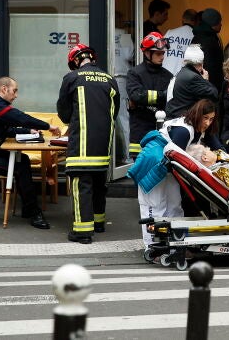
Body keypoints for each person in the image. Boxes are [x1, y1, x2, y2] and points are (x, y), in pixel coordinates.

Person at [0, 77, 61, 230]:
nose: (16, 95)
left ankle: (29, 209)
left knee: (23, 160)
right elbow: (19, 117)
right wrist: (48, 126)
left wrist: (28, 131)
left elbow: (6, 129)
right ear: (4, 89)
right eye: (14, 91)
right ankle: (34, 213)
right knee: (19, 166)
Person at [128, 99, 224, 245]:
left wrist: (220, 157)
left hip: (166, 165)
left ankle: (173, 245)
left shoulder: (199, 128)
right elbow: (174, 156)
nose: (207, 123)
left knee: (174, 206)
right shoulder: (184, 131)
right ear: (197, 115)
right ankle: (152, 247)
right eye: (205, 118)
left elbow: (219, 148)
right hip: (154, 165)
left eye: (211, 119)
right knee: (154, 207)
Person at [57, 43, 120, 244]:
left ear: (76, 61)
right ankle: (98, 223)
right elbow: (115, 111)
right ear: (91, 58)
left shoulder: (72, 78)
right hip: (103, 146)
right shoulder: (109, 79)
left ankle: (82, 232)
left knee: (81, 185)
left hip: (81, 146)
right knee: (99, 184)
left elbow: (64, 113)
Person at [126, 32, 173, 160]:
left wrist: (146, 98)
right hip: (140, 130)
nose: (162, 57)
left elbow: (171, 99)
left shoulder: (168, 76)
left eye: (163, 53)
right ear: (147, 53)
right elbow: (136, 95)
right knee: (140, 167)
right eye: (158, 54)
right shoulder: (135, 73)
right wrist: (162, 95)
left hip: (162, 130)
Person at [165, 44, 219, 119]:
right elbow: (213, 94)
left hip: (173, 119)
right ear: (201, 64)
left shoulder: (181, 73)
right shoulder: (193, 78)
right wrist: (205, 81)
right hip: (182, 121)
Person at [113, 13, 134, 163]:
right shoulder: (124, 35)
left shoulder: (105, 32)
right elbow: (129, 55)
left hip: (106, 77)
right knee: (123, 118)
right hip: (121, 78)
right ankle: (127, 156)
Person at [191, 8, 225, 92]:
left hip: (198, 84)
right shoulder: (209, 40)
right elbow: (210, 67)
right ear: (213, 23)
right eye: (219, 22)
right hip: (208, 87)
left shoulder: (197, 37)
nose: (221, 24)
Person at [163, 9, 198, 76]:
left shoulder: (169, 33)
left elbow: (159, 52)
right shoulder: (196, 37)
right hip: (184, 77)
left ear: (183, 19)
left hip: (166, 74)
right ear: (196, 21)